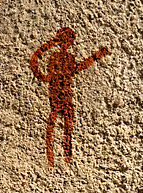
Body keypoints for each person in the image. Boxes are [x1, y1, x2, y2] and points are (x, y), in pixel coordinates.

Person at [30, 27, 109, 166]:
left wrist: (96, 56)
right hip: (56, 93)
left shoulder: (66, 58)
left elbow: (77, 68)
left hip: (64, 94)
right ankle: (53, 157)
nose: (67, 43)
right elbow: (36, 60)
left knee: (64, 125)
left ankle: (62, 157)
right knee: (56, 124)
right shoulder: (54, 57)